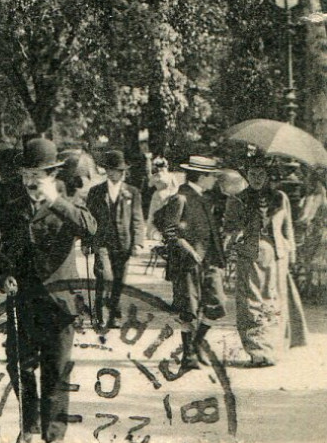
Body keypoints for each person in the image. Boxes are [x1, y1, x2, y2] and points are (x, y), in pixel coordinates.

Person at [0, 137, 97, 443]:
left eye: (38, 175)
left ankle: (53, 436)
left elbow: (91, 229)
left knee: (55, 371)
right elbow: (2, 252)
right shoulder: (13, 208)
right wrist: (4, 275)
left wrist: (55, 200)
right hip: (24, 301)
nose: (31, 181)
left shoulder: (70, 203)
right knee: (19, 366)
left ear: (53, 175)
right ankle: (28, 427)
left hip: (60, 303)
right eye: (26, 174)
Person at [223, 158, 308, 368]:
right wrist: (239, 233)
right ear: (247, 176)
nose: (257, 179)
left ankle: (273, 349)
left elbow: (287, 228)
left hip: (277, 258)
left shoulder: (279, 198)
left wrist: (292, 254)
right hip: (250, 257)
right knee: (251, 301)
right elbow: (229, 230)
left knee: (275, 301)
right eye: (253, 175)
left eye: (261, 175)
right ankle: (257, 351)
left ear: (268, 176)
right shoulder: (238, 200)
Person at [157, 153, 225, 368]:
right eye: (212, 176)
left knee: (217, 304)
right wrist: (190, 251)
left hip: (209, 261)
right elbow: (169, 231)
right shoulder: (181, 197)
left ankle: (194, 345)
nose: (215, 179)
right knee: (190, 309)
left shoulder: (205, 198)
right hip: (188, 263)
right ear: (201, 176)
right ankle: (189, 355)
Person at [85, 148, 146, 329]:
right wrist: (86, 242)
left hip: (123, 242)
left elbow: (137, 218)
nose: (113, 173)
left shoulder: (132, 192)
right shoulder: (96, 191)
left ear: (123, 172)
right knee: (104, 276)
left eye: (118, 170)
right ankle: (99, 315)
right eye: (110, 169)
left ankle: (114, 315)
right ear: (105, 170)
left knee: (119, 280)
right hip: (101, 241)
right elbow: (88, 218)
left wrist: (138, 243)